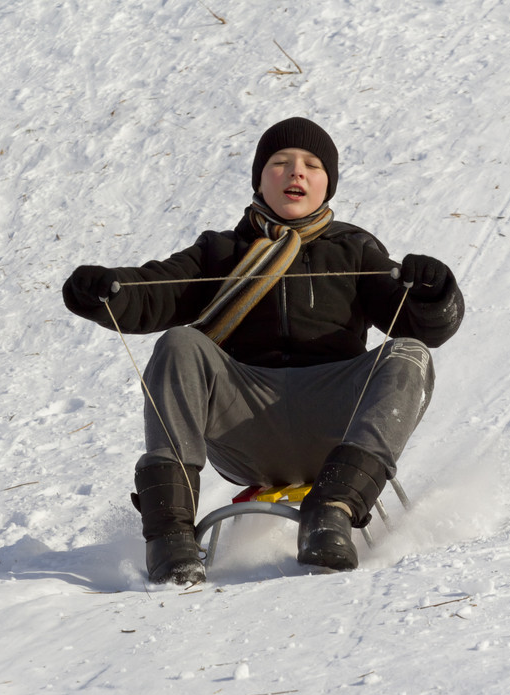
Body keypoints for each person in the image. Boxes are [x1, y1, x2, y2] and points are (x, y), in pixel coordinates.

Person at [63, 117, 464, 584]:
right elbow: (155, 293)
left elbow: (423, 325)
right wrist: (106, 291)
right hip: (245, 423)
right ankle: (169, 535)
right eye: (281, 162)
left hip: (333, 424)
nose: (296, 173)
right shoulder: (222, 252)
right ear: (259, 177)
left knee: (409, 353)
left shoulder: (355, 251)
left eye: (312, 165)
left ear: (327, 184)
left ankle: (333, 508)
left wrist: (433, 294)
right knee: (181, 342)